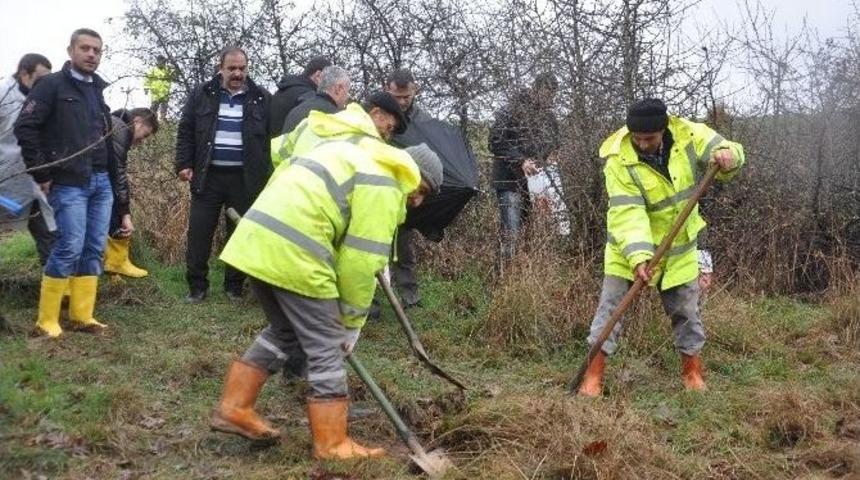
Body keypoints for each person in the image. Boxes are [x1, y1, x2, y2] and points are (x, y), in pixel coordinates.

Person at [210, 109, 442, 461]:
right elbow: (359, 264)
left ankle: (234, 407)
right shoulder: (385, 181)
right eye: (422, 190)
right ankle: (333, 444)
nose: (418, 200)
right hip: (296, 249)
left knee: (285, 330)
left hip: (258, 239)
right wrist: (349, 324)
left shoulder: (361, 155)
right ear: (413, 174)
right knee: (327, 345)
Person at [577, 98, 745, 397]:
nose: (642, 145)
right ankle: (592, 378)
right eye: (637, 139)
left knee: (687, 312)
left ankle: (692, 373)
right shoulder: (618, 159)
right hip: (628, 248)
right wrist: (639, 257)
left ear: (664, 129)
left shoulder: (688, 135)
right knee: (611, 310)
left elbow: (727, 148)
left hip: (678, 247)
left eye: (649, 139)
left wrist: (728, 155)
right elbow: (627, 212)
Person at [15, 28, 127, 337]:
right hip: (68, 181)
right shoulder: (50, 85)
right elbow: (26, 128)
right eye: (85, 48)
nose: (92, 54)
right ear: (71, 51)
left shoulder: (97, 90)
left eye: (97, 50)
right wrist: (42, 173)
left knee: (93, 247)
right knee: (69, 245)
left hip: (101, 181)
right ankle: (46, 320)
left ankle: (82, 316)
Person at [175, 46, 272, 304]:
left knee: (239, 234)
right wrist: (183, 163)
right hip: (208, 177)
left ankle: (234, 287)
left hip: (245, 179)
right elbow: (185, 130)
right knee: (199, 234)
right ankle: (197, 287)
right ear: (221, 68)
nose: (237, 73)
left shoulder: (262, 97)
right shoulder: (202, 94)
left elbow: (271, 141)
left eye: (242, 68)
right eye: (232, 68)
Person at [385, 68, 480, 308]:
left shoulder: (423, 120)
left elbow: (437, 149)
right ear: (388, 90)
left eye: (407, 96)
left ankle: (410, 297)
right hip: (381, 189)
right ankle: (370, 304)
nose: (403, 102)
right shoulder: (380, 115)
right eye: (398, 97)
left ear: (415, 91)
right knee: (370, 250)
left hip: (409, 194)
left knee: (403, 248)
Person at [489, 73, 560, 266]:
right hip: (509, 181)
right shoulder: (511, 110)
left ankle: (524, 277)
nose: (548, 100)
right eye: (545, 95)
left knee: (530, 233)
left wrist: (552, 156)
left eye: (551, 97)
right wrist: (521, 161)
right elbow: (495, 141)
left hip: (537, 185)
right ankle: (505, 279)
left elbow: (555, 143)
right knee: (511, 233)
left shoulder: (549, 118)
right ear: (534, 89)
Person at [0, 53, 54, 265]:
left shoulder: (38, 101)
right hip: (5, 177)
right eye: (39, 79)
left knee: (48, 231)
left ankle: (57, 284)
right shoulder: (4, 95)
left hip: (30, 179)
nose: (43, 85)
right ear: (24, 73)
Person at [103, 108, 159, 278]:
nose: (141, 142)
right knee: (116, 205)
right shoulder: (120, 131)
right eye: (144, 136)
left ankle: (113, 267)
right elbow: (118, 174)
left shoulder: (115, 124)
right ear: (137, 122)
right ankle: (116, 263)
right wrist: (125, 213)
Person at [269, 56, 332, 138]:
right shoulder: (309, 97)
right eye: (329, 80)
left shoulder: (283, 91)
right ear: (318, 76)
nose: (330, 86)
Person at [280, 65, 350, 135]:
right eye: (347, 91)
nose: (347, 97)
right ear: (338, 89)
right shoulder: (334, 117)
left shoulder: (295, 110)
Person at [143, 55, 173, 120]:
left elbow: (173, 76)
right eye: (161, 61)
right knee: (153, 108)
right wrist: (146, 87)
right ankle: (153, 120)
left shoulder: (167, 70)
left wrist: (173, 63)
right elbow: (147, 78)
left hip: (165, 93)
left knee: (164, 109)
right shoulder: (153, 69)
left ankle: (162, 120)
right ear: (158, 61)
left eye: (164, 62)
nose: (163, 63)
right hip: (155, 93)